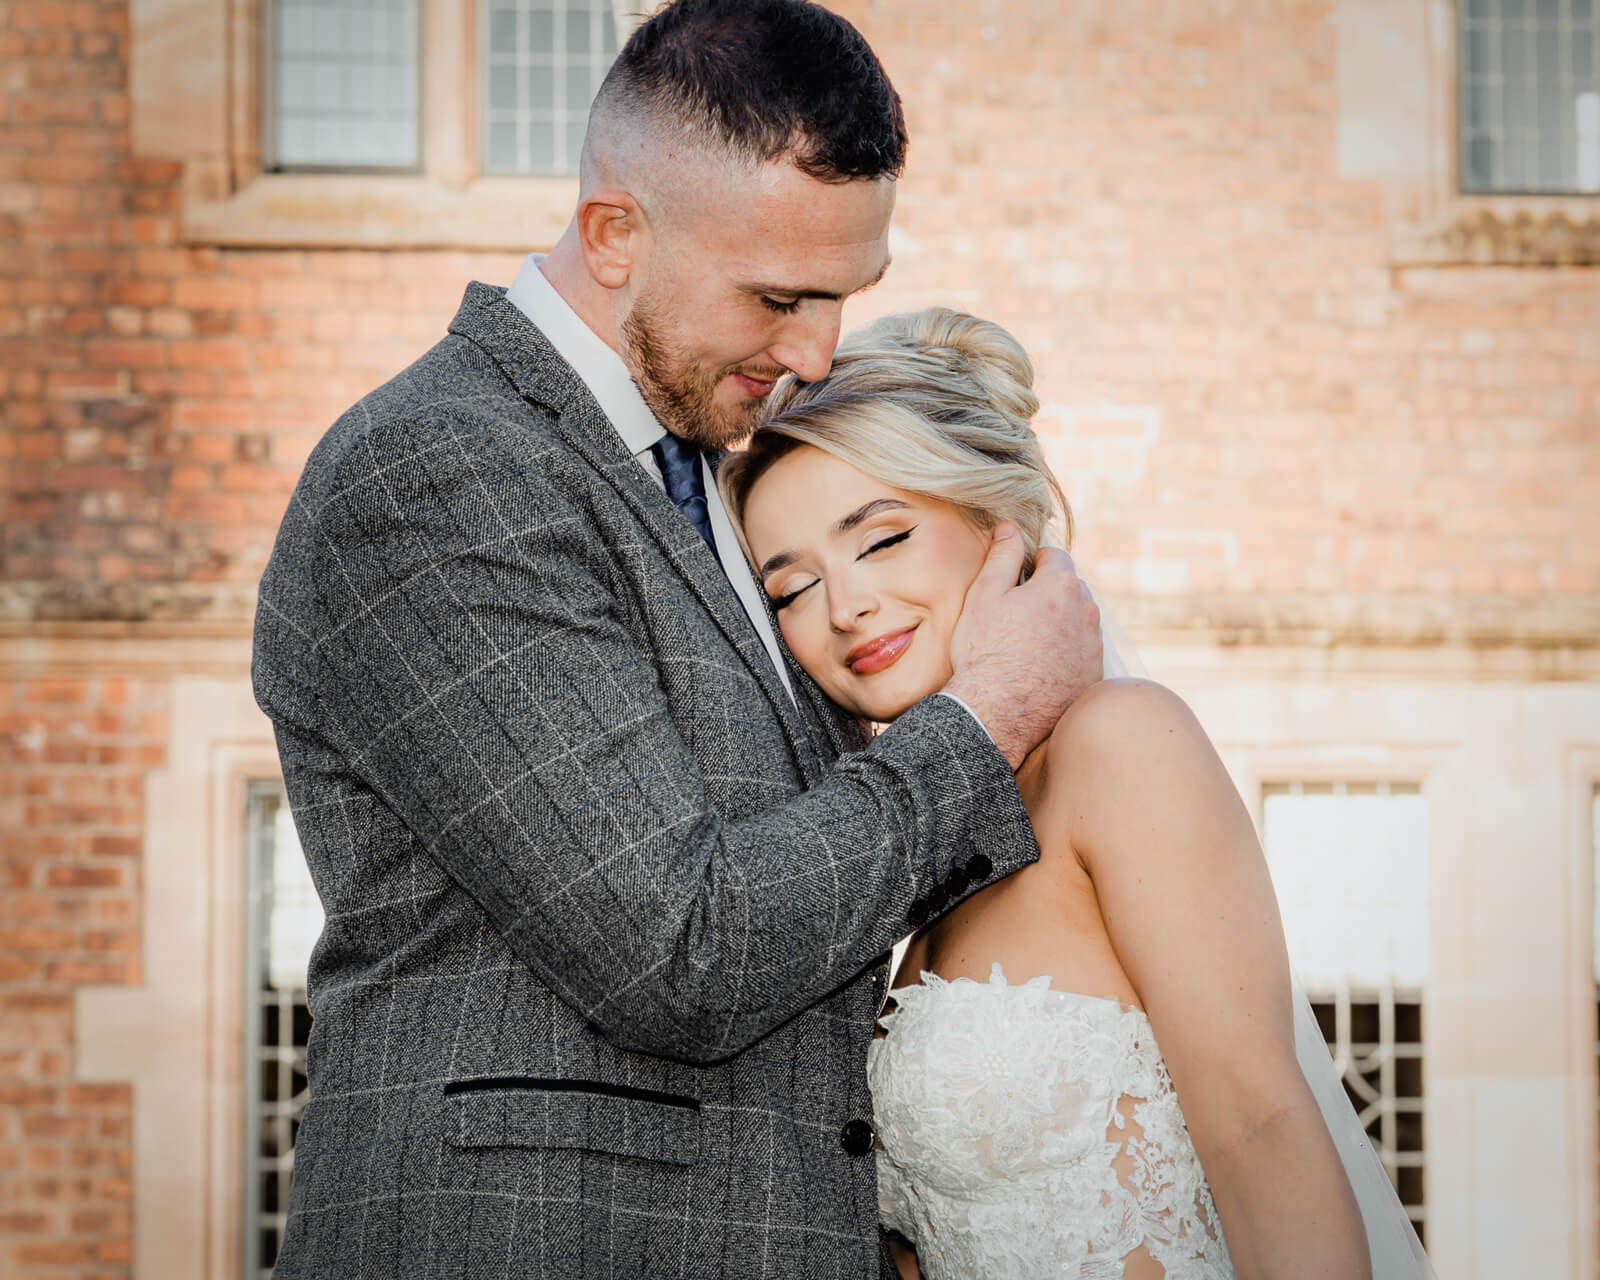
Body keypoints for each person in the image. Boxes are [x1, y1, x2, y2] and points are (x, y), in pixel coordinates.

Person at [250, 4, 1102, 1277]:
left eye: (843, 297)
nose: (816, 352)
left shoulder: (721, 476)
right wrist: (984, 718)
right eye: (778, 297)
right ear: (613, 234)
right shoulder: (439, 469)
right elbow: (677, 950)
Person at [718, 307, 1439, 1280]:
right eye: (791, 588)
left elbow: (1260, 1126)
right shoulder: (932, 844)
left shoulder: (1117, 743)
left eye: (880, 539)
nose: (845, 605)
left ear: (996, 520)